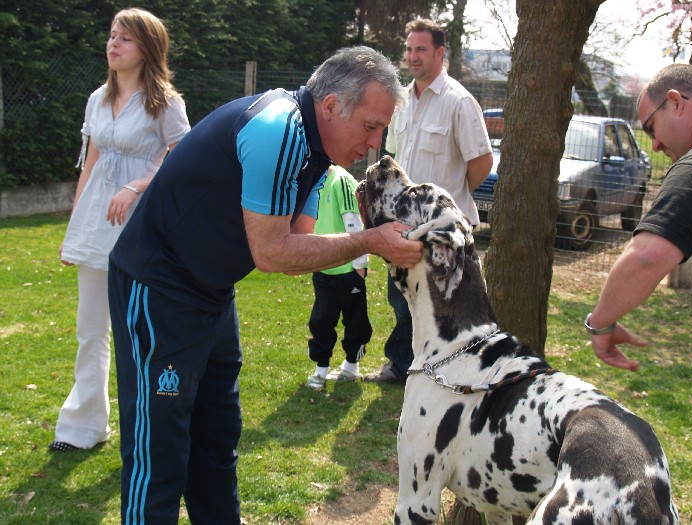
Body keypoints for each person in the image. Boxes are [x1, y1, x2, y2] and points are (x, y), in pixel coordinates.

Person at [107, 46, 422, 524]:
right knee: (160, 455)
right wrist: (371, 241)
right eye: (370, 126)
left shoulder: (317, 152)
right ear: (332, 105)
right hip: (158, 288)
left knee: (216, 442)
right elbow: (272, 253)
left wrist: (365, 237)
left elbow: (297, 250)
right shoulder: (279, 130)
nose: (376, 144)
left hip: (211, 294)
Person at [49, 8, 190, 452]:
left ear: (147, 48)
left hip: (142, 229)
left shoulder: (166, 102)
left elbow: (182, 159)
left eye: (124, 38)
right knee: (90, 330)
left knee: (141, 333)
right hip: (97, 226)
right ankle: (82, 428)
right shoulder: (96, 98)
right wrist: (76, 229)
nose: (113, 44)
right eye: (112, 36)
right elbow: (90, 163)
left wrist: (136, 185)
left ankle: (148, 424)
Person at [363, 18, 493, 384]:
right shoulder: (401, 101)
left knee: (445, 305)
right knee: (402, 302)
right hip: (405, 228)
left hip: (441, 232)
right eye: (409, 49)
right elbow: (393, 159)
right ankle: (402, 367)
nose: (412, 56)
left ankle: (446, 372)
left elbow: (481, 161)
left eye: (421, 49)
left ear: (440, 53)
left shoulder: (459, 102)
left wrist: (448, 201)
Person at [585, 63, 692, 371]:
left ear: (675, 102)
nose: (656, 144)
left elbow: (647, 256)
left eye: (651, 127)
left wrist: (600, 323)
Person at [305, 164, 372, 390]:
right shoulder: (312, 181)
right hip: (323, 266)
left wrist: (359, 264)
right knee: (322, 319)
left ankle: (351, 365)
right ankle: (320, 369)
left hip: (347, 270)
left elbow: (354, 223)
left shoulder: (341, 180)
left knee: (355, 321)